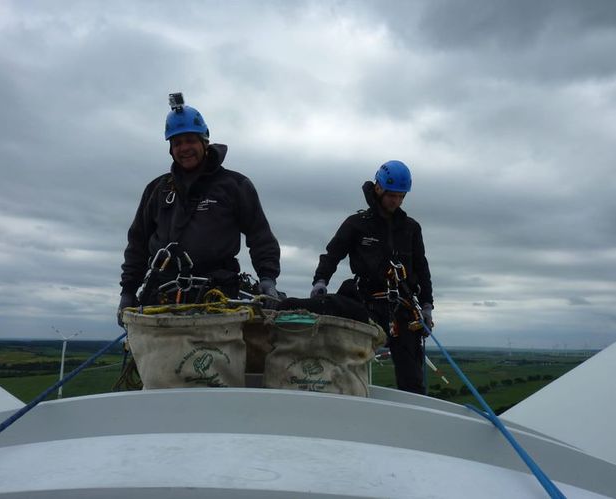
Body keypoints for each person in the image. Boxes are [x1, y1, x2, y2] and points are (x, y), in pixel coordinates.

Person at [118, 93, 280, 322]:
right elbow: (138, 244)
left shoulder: (235, 185)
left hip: (217, 292)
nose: (184, 148)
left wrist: (267, 278)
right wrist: (128, 291)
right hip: (162, 292)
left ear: (205, 141)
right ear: (170, 148)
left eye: (190, 141)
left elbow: (259, 235)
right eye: (177, 143)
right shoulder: (157, 189)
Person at [310, 160, 433, 394]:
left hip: (403, 308)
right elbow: (332, 254)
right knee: (348, 368)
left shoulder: (411, 228)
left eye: (401, 196)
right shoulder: (357, 224)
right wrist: (320, 281)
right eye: (391, 196)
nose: (396, 201)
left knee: (412, 380)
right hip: (366, 302)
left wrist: (427, 305)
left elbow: (421, 267)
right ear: (378, 188)